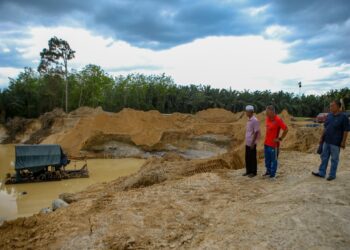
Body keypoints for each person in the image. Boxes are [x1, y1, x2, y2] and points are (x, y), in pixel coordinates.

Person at [312, 100, 350, 181]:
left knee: (334, 159)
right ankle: (322, 172)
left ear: (338, 106)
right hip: (326, 141)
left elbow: (346, 131)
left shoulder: (344, 117)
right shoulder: (329, 116)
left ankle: (332, 175)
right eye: (330, 106)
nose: (330, 107)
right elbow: (325, 128)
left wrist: (343, 142)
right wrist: (322, 138)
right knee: (324, 157)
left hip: (336, 143)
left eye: (332, 106)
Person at [264, 105, 288, 179]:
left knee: (273, 160)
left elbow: (286, 129)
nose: (266, 113)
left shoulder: (278, 120)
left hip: (274, 145)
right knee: (267, 160)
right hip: (266, 143)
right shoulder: (267, 118)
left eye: (267, 112)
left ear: (272, 111)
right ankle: (268, 171)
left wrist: (280, 138)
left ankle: (272, 174)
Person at [242, 105, 260, 178]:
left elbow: (256, 132)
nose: (246, 113)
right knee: (247, 157)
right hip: (248, 142)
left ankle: (253, 172)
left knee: (252, 158)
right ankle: (248, 171)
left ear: (250, 112)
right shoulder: (249, 120)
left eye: (247, 111)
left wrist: (253, 143)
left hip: (252, 143)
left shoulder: (255, 120)